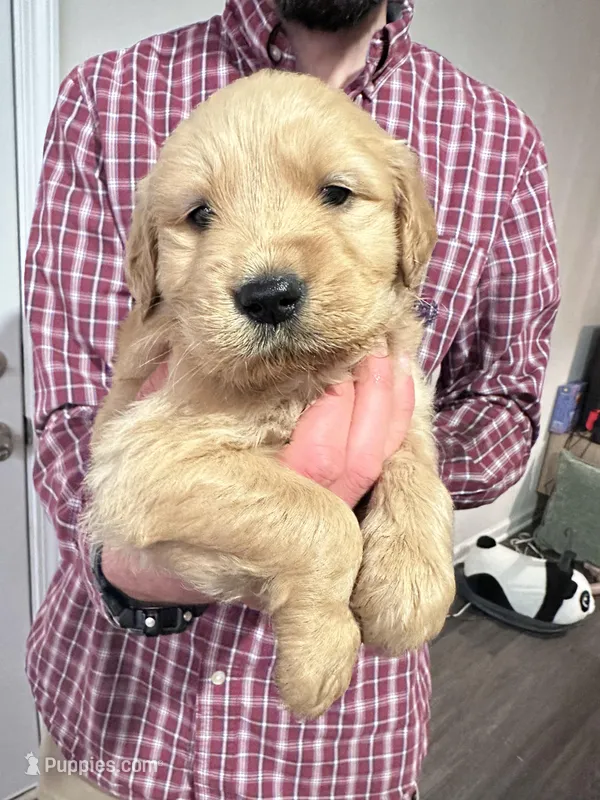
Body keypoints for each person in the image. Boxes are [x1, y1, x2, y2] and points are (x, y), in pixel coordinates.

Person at [25, 1, 560, 798]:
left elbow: (505, 405)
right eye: (201, 217)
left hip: (345, 746)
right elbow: (73, 427)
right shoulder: (106, 95)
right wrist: (285, 535)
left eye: (337, 193)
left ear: (410, 220)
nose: (268, 275)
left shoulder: (497, 135)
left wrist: (399, 472)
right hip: (118, 720)